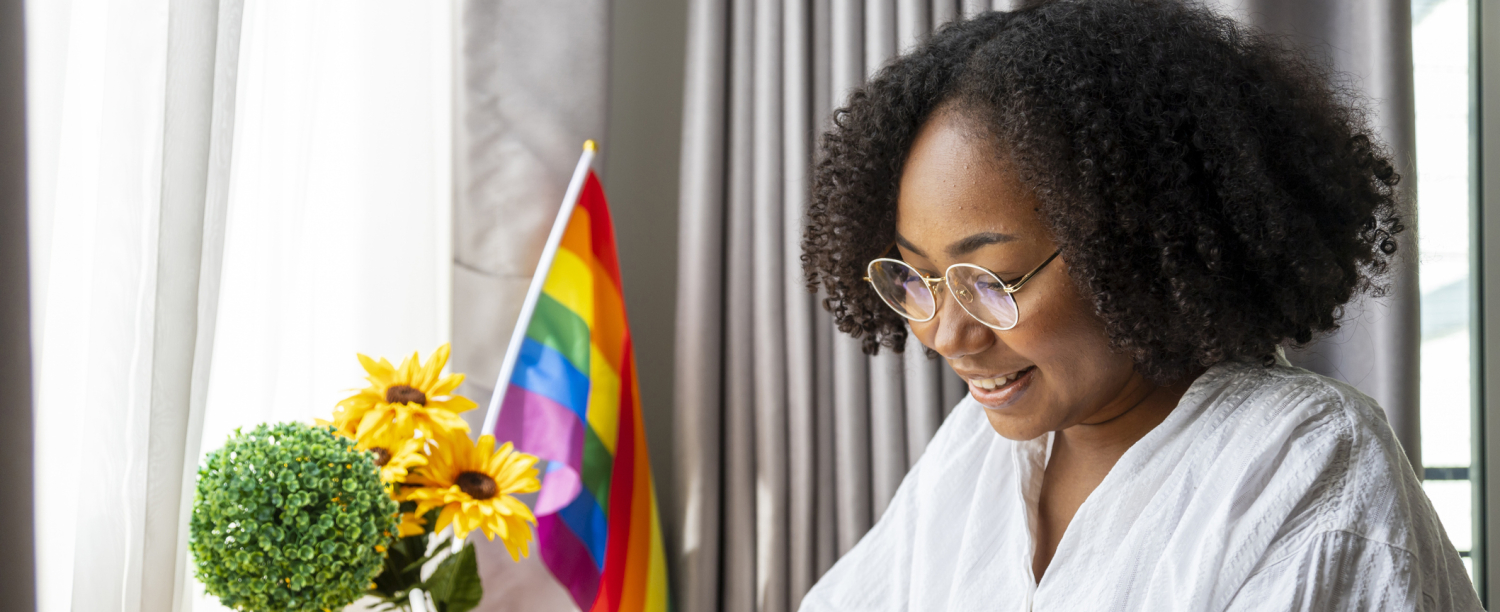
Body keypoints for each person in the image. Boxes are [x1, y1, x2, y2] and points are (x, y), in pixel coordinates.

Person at [797, 1, 1482, 610]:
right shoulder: (976, 448)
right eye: (919, 277)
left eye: (995, 280)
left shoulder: (1305, 463)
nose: (947, 335)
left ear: (1141, 251)